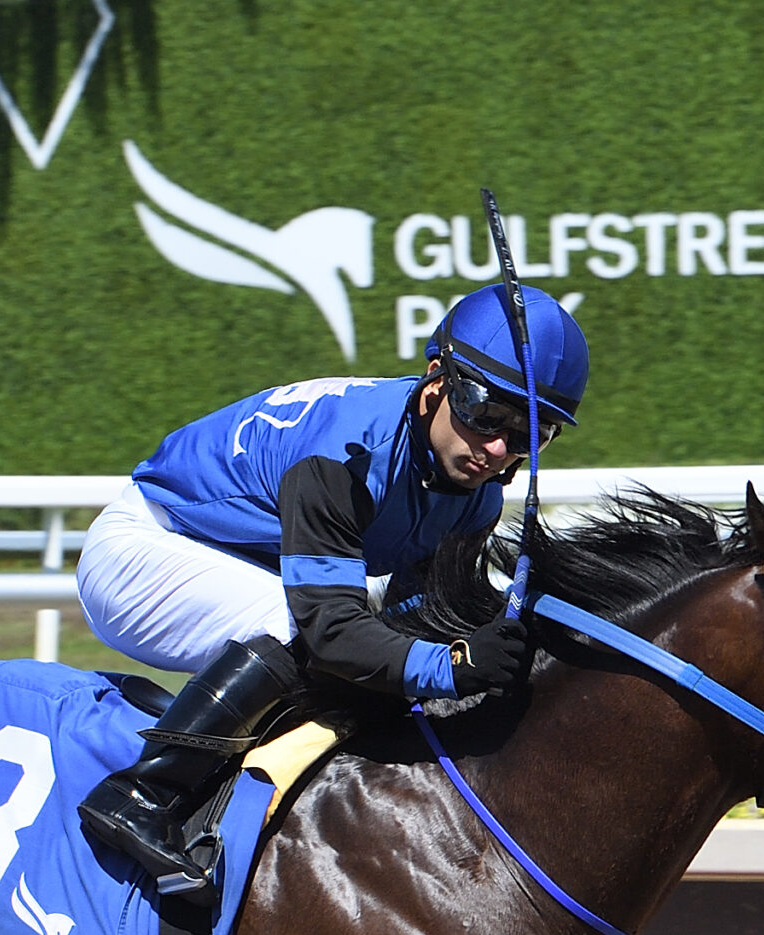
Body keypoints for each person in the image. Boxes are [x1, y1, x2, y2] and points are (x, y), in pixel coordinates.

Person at [74, 282, 591, 893]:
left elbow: (415, 617)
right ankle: (142, 795)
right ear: (436, 380)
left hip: (248, 564)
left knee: (382, 663)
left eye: (530, 433)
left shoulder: (475, 496)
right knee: (299, 632)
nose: (498, 449)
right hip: (147, 551)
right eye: (485, 413)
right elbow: (332, 633)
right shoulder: (344, 451)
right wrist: (453, 663)